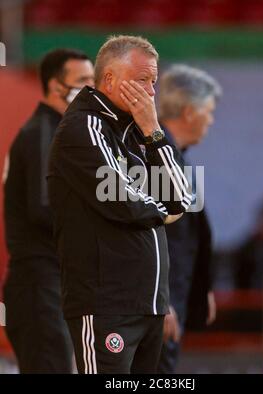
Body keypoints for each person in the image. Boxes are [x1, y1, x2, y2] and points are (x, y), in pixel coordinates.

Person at [47, 35, 192, 374]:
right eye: (143, 80)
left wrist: (154, 131)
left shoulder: (140, 128)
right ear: (109, 79)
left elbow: (182, 197)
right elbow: (120, 197)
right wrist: (163, 212)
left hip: (150, 306)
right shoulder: (84, 125)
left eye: (153, 82)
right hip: (105, 306)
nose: (151, 92)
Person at [3, 48, 94, 373]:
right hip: (40, 286)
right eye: (83, 81)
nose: (92, 89)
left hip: (50, 285)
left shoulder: (56, 132)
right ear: (56, 87)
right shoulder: (44, 134)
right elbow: (46, 207)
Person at [156, 64, 222, 373]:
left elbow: (187, 237)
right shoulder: (156, 156)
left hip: (172, 302)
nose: (210, 120)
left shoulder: (175, 156)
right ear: (189, 111)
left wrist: (201, 288)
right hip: (157, 309)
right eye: (208, 111)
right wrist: (158, 302)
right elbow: (149, 235)